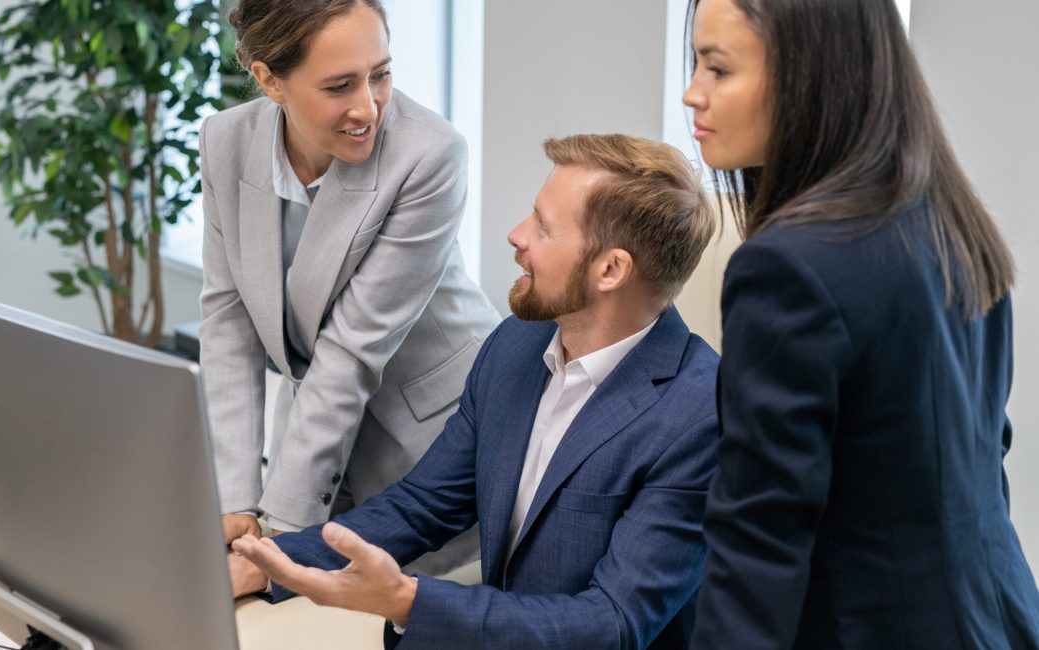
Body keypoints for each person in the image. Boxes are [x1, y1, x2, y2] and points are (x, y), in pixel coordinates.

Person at [231, 134, 720, 649]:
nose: (516, 235)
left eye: (543, 227)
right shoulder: (517, 343)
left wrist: (406, 600)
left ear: (611, 269)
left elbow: (612, 623)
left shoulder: (701, 416)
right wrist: (265, 564)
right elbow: (425, 505)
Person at [681, 0, 1039, 647]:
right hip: (998, 615)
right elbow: (981, 453)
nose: (691, 94)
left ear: (808, 74)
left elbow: (758, 538)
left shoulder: (787, 267)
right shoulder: (951, 223)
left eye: (718, 69)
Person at [197, 0, 499, 570]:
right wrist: (234, 503)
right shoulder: (225, 142)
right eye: (339, 85)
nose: (369, 107)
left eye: (381, 74)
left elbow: (351, 350)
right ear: (269, 80)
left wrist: (281, 535)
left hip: (431, 442)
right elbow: (228, 324)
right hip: (311, 435)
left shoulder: (430, 155)